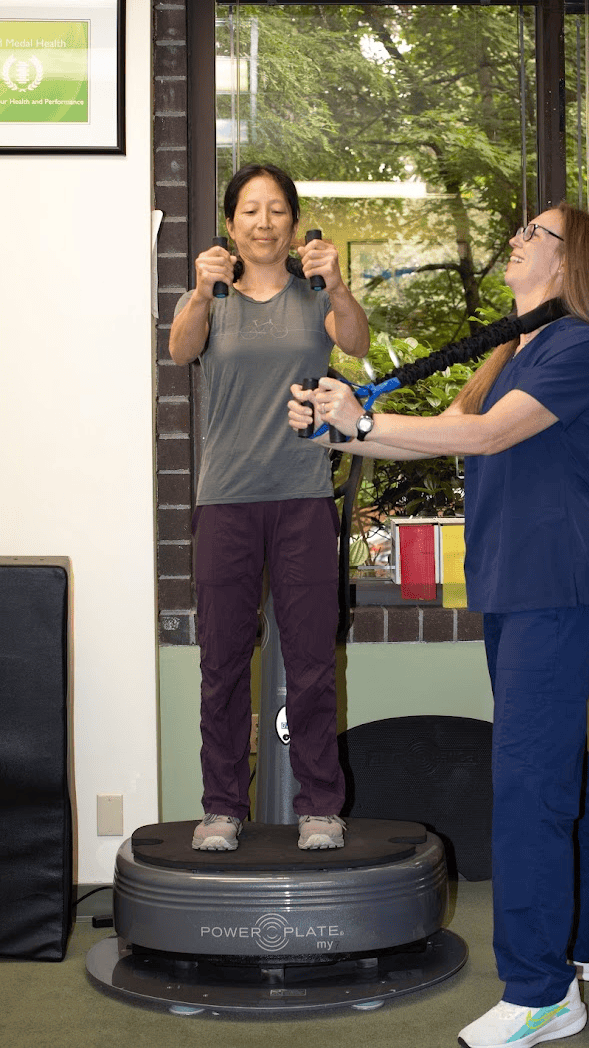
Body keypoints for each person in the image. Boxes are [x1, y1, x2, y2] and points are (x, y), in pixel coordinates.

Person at [288, 203, 589, 1047]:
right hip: (515, 589)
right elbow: (441, 440)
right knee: (562, 770)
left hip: (554, 588)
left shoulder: (579, 346)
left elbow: (483, 436)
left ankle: (539, 989)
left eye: (533, 233)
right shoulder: (514, 347)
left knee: (526, 784)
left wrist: (360, 421)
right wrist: (341, 436)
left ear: (569, 259)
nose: (515, 240)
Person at [169, 162, 370, 853]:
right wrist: (199, 291)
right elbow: (179, 348)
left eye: (276, 209)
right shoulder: (212, 297)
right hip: (226, 498)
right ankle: (223, 804)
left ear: (292, 221)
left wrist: (337, 281)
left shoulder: (315, 294)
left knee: (311, 660)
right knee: (223, 661)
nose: (263, 221)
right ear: (231, 225)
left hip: (303, 496)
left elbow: (357, 340)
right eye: (249, 210)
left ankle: (319, 803)